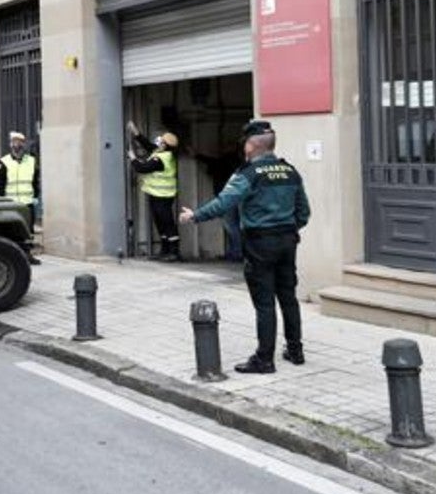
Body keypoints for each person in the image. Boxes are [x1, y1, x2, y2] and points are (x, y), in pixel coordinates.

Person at [178, 120, 311, 374]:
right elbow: (304, 213)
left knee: (264, 303)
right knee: (288, 298)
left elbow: (223, 203)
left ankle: (264, 359)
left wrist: (195, 216)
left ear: (250, 146)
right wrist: (286, 228)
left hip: (260, 243)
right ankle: (296, 351)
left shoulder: (248, 174)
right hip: (287, 241)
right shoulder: (290, 171)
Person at [128, 122, 181, 262]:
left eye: (161, 140)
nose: (158, 140)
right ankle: (164, 250)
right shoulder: (160, 152)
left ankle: (174, 252)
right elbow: (148, 145)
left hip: (163, 196)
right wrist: (136, 133)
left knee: (167, 222)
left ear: (165, 144)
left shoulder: (161, 158)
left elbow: (143, 168)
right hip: (156, 194)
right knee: (160, 222)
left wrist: (133, 158)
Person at [0, 131, 42, 265]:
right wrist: (2, 201)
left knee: (29, 231)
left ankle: (28, 255)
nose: (17, 145)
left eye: (20, 142)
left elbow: (35, 181)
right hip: (11, 204)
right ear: (10, 144)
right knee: (10, 230)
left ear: (24, 144)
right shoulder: (4, 162)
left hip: (27, 203)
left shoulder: (31, 161)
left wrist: (35, 196)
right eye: (14, 142)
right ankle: (11, 256)